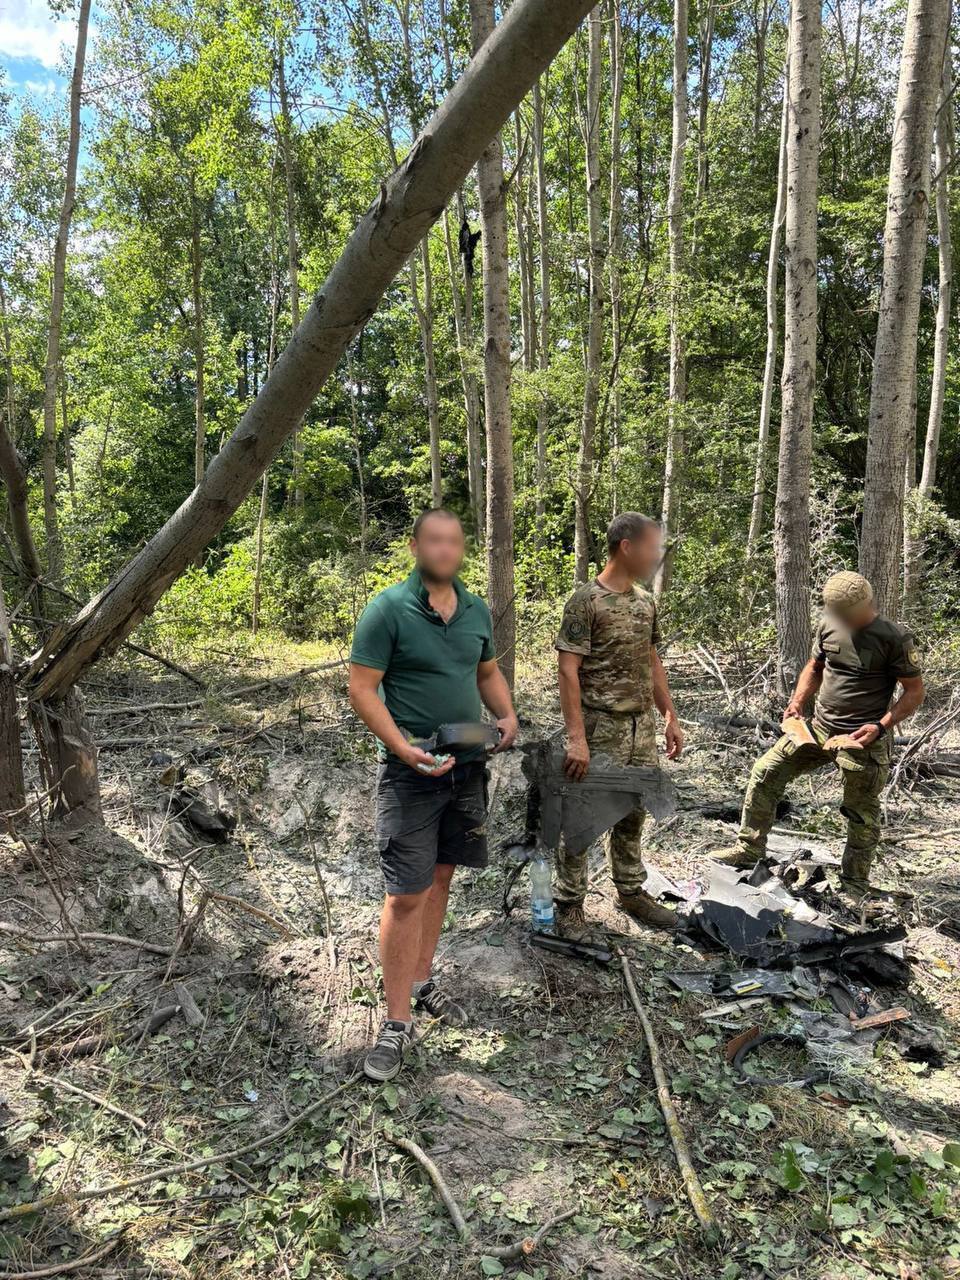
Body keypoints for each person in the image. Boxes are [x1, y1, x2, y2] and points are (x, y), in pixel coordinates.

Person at [349, 509, 518, 1081]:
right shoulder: (387, 610)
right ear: (417, 546)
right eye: (434, 541)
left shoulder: (474, 611)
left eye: (453, 542)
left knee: (442, 876)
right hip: (409, 776)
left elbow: (486, 671)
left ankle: (421, 982)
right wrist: (401, 747)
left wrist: (505, 713)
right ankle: (395, 1022)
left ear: (462, 549)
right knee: (405, 894)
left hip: (467, 770)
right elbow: (362, 689)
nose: (445, 550)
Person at [713, 571, 924, 894]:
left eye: (847, 615)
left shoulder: (893, 638)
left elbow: (914, 692)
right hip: (817, 729)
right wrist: (797, 702)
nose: (842, 620)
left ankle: (854, 883)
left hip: (860, 740)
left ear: (865, 604)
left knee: (861, 812)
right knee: (766, 772)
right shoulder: (829, 625)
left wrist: (880, 726)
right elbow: (815, 667)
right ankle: (750, 848)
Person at [553, 512, 683, 938]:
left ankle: (630, 891)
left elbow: (652, 660)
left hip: (639, 727)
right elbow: (568, 669)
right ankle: (568, 904)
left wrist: (669, 715)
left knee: (633, 810)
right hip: (598, 725)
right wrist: (576, 738)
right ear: (626, 547)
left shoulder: (646, 601)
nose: (656, 556)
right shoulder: (585, 601)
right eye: (651, 547)